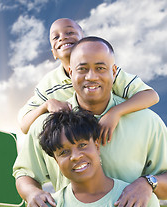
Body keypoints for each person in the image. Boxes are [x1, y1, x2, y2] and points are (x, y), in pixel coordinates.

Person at [13, 37, 167, 207]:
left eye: (101, 68)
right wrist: (32, 193)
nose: (91, 77)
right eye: (82, 69)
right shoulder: (46, 126)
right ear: (70, 72)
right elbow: (24, 173)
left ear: (113, 72)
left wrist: (148, 183)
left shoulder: (147, 122)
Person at [18, 18, 159, 146]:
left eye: (69, 32)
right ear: (53, 53)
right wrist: (46, 105)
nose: (63, 38)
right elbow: (24, 125)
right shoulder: (49, 84)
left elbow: (151, 95)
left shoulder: (106, 73)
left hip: (116, 139)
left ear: (83, 42)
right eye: (56, 37)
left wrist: (115, 112)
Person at [31, 109, 164, 207]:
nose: (75, 157)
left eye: (82, 145)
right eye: (64, 152)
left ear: (97, 146)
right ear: (56, 161)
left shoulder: (141, 199)